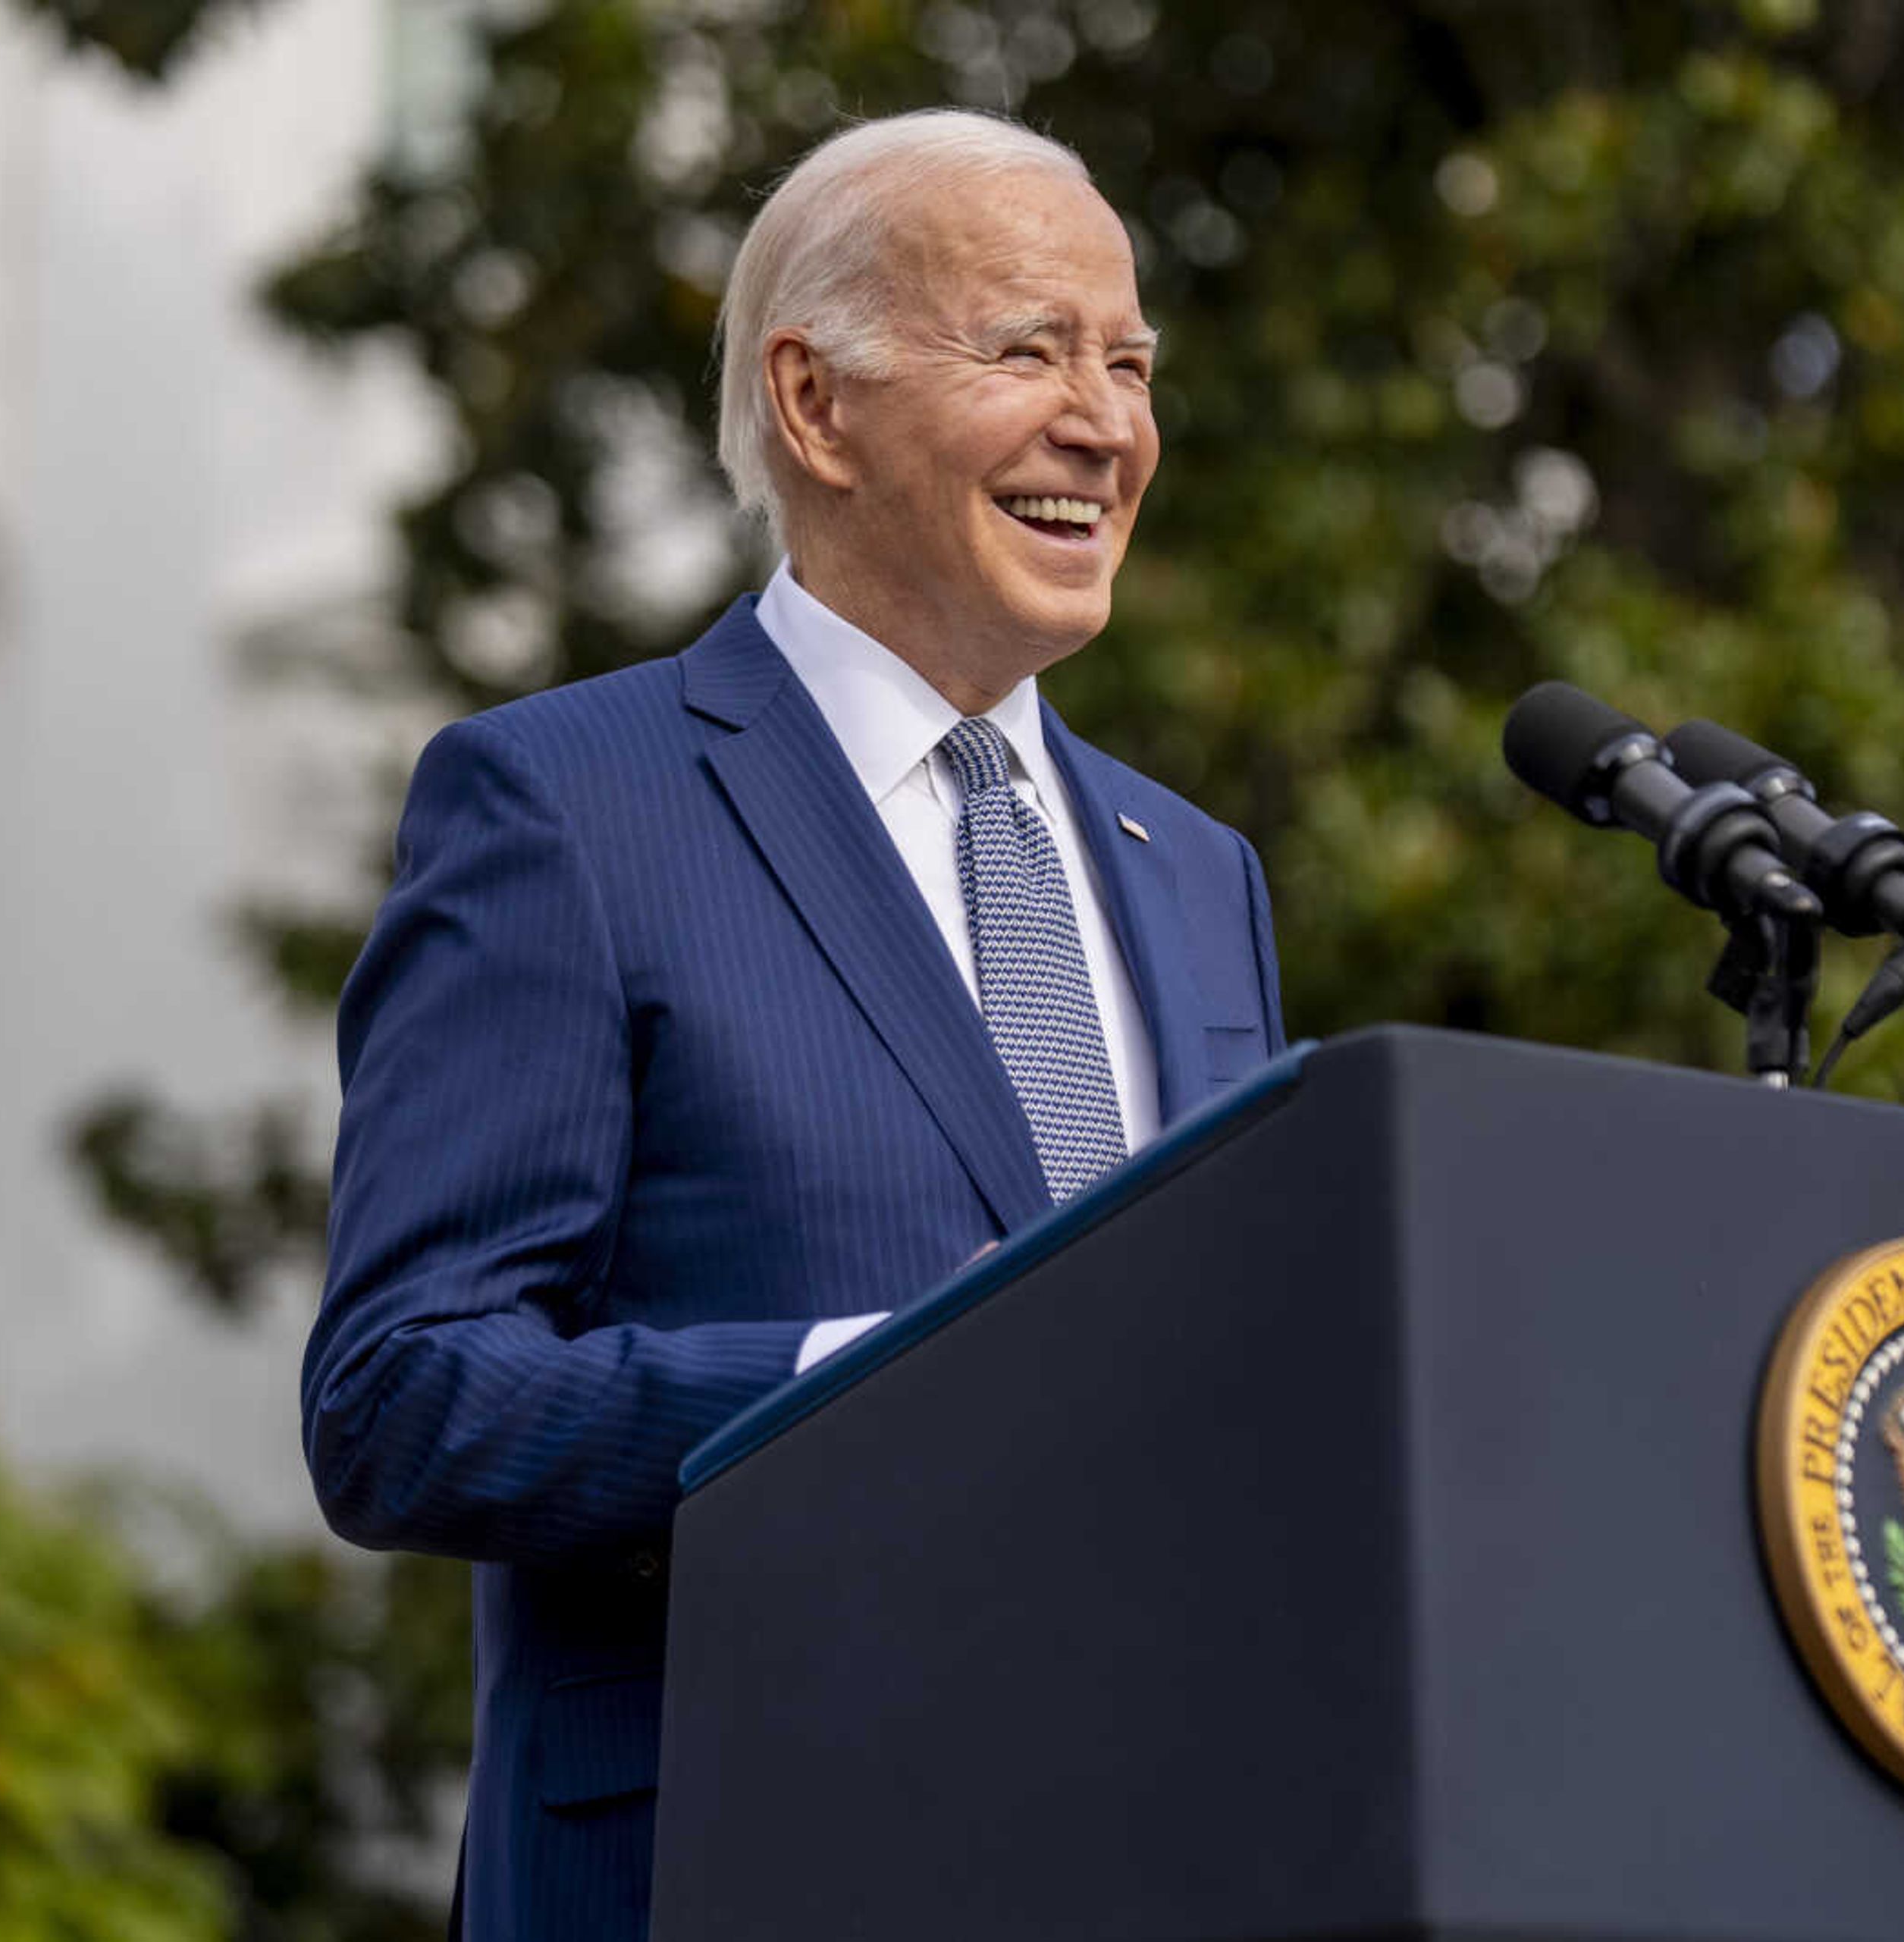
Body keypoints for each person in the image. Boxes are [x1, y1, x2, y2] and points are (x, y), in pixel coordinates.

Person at [300, 109, 1287, 1940]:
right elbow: (400, 1399)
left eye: (1134, 361)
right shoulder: (567, 807)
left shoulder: (1196, 871)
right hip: (729, 1856)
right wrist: (867, 1386)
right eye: (1029, 350)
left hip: (1154, 1860)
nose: (1110, 422)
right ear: (817, 407)